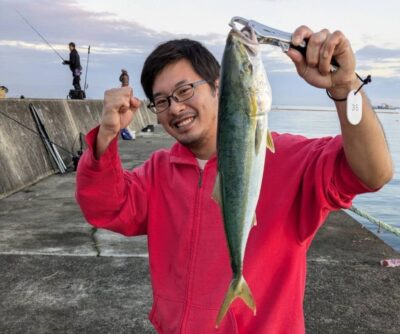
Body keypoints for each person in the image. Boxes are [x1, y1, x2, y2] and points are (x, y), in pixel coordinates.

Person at [76, 25, 393, 333]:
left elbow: (372, 173)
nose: (176, 107)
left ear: (218, 87)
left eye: (185, 90)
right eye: (162, 101)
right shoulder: (159, 171)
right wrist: (106, 137)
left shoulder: (288, 158)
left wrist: (345, 87)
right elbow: (105, 207)